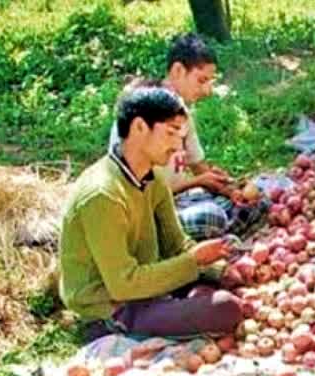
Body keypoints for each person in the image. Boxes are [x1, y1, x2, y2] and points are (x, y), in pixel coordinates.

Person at [60, 86, 244, 339]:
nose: (178, 145)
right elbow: (123, 284)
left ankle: (179, 305)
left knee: (220, 287)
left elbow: (177, 244)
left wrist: (218, 268)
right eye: (171, 133)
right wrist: (195, 262)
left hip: (146, 284)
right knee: (225, 308)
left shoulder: (152, 177)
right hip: (113, 305)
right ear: (139, 128)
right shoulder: (103, 195)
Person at [109, 33, 267, 241]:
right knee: (211, 217)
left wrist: (227, 187)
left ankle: (207, 242)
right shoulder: (145, 114)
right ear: (177, 70)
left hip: (179, 201)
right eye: (201, 80)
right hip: (146, 212)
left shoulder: (182, 113)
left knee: (258, 203)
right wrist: (198, 182)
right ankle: (192, 244)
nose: (207, 90)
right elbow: (142, 191)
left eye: (210, 82)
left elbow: (198, 165)